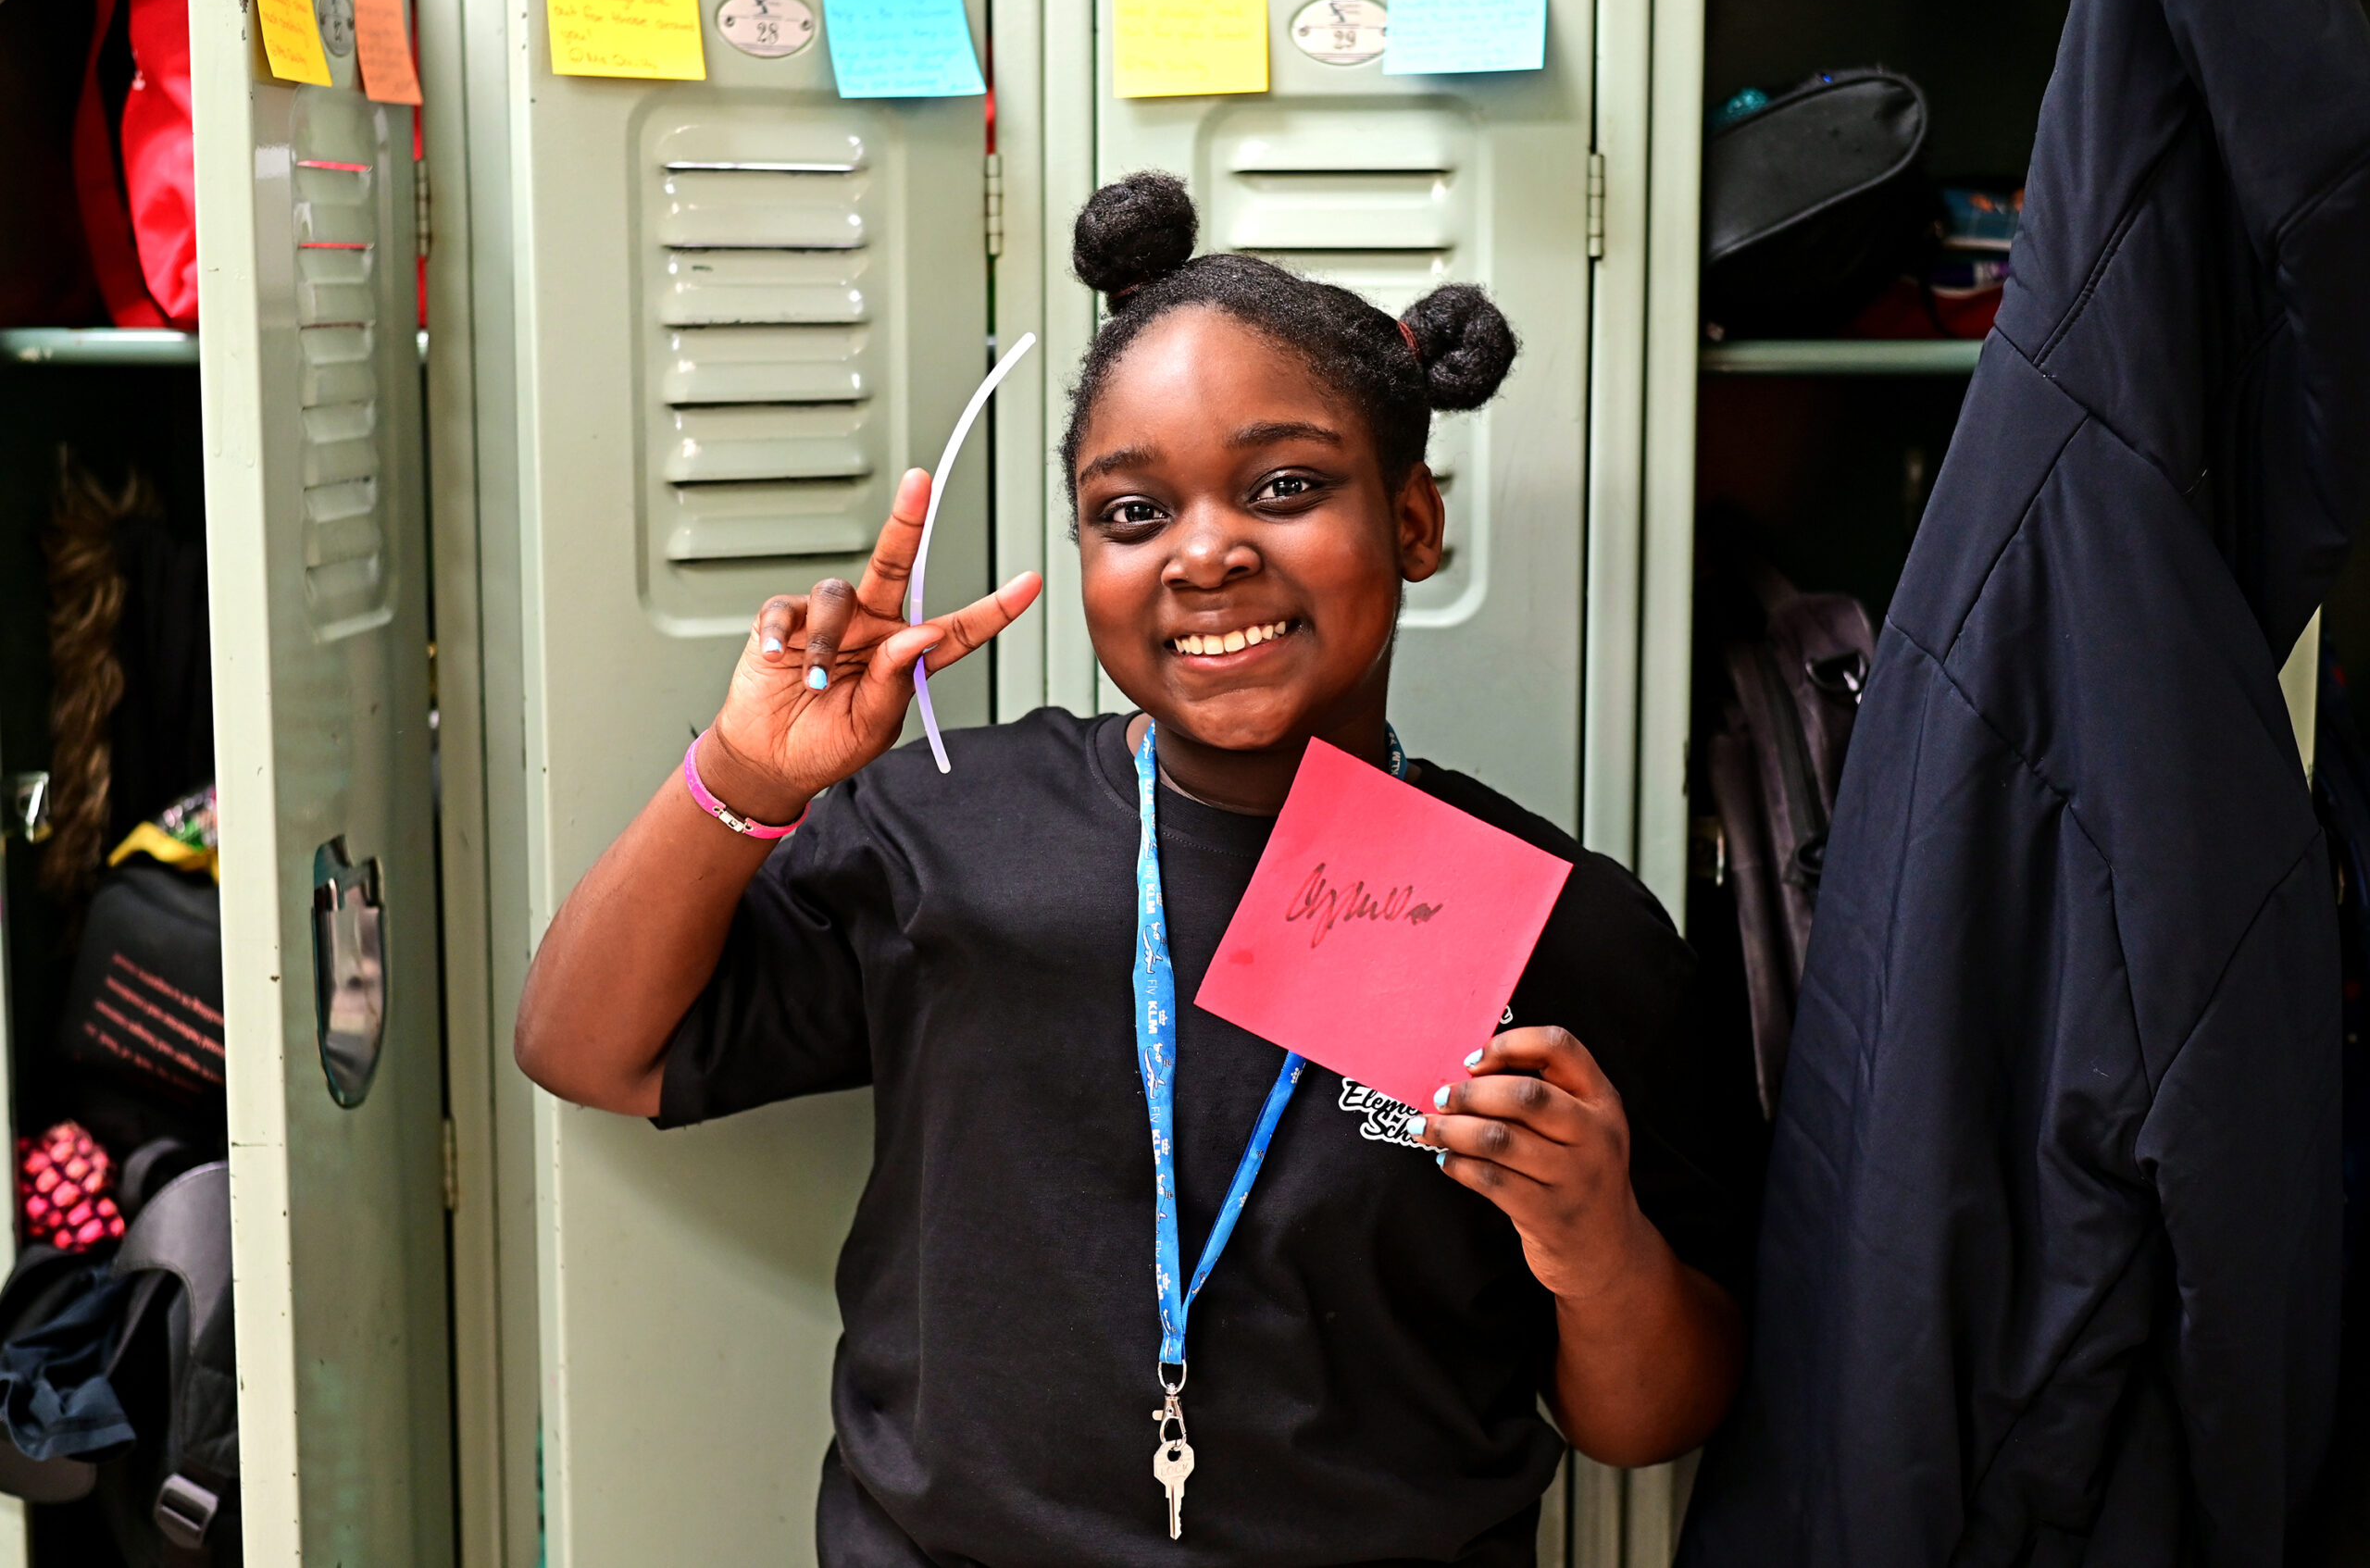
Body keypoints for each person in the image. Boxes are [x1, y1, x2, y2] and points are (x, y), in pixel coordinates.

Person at [515, 170, 1748, 1567]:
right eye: (1133, 513)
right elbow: (586, 1045)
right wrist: (748, 778)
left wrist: (1598, 1252)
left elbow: (1655, 1419)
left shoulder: (1561, 923)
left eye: (1286, 488)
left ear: (1412, 522)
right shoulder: (951, 825)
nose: (1207, 552)